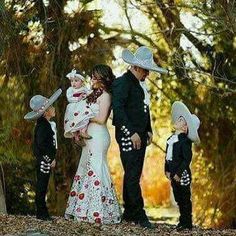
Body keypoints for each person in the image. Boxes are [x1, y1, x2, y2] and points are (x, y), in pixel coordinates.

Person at [112, 46, 168, 228]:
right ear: (135, 67)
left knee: (132, 174)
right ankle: (139, 215)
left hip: (140, 136)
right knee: (132, 175)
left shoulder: (138, 85)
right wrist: (132, 133)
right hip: (129, 137)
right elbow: (118, 111)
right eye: (145, 70)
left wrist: (148, 129)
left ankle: (129, 212)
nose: (148, 74)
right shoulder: (122, 83)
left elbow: (144, 110)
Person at [65, 64, 121, 224]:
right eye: (92, 76)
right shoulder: (92, 94)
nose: (92, 79)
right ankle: (83, 210)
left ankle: (99, 211)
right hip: (89, 135)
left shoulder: (106, 96)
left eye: (95, 77)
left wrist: (85, 117)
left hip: (98, 134)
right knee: (85, 166)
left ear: (103, 79)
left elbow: (102, 118)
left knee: (96, 167)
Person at [24, 88, 62, 220]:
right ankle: (41, 213)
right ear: (46, 112)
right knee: (41, 186)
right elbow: (41, 146)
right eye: (51, 107)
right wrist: (49, 159)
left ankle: (42, 213)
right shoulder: (43, 126)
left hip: (45, 160)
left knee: (43, 185)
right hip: (43, 161)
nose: (53, 108)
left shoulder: (46, 124)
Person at [165, 101, 200, 231]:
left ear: (185, 128)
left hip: (181, 173)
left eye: (180, 120)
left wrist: (179, 173)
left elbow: (187, 159)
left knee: (185, 198)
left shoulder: (184, 142)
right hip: (172, 173)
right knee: (178, 197)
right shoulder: (171, 139)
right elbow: (167, 157)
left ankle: (187, 222)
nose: (177, 120)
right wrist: (167, 170)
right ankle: (182, 220)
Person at [64, 69, 94, 146]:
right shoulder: (70, 90)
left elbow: (89, 93)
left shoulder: (84, 88)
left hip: (82, 106)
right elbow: (69, 98)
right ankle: (76, 136)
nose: (73, 83)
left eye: (76, 81)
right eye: (72, 81)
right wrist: (77, 98)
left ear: (82, 82)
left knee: (85, 116)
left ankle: (83, 131)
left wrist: (87, 95)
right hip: (73, 106)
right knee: (73, 121)